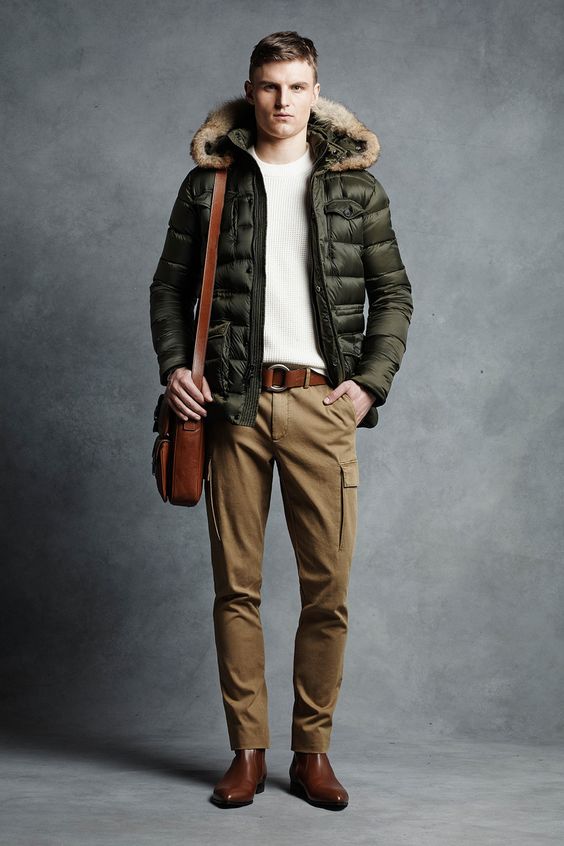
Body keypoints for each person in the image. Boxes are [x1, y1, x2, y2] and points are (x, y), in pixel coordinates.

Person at [149, 30, 413, 810]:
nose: (282, 100)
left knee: (327, 591)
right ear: (250, 90)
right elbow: (169, 289)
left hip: (322, 408)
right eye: (269, 85)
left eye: (297, 86)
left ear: (315, 92)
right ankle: (247, 752)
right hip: (231, 406)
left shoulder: (357, 190)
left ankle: (312, 753)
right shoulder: (210, 183)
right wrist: (176, 368)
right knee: (236, 589)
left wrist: (369, 386)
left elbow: (394, 294)